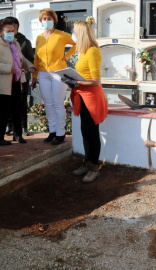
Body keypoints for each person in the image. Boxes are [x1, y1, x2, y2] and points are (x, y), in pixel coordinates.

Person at [61, 21, 108, 183]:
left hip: (91, 98)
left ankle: (94, 167)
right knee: (85, 131)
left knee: (92, 133)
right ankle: (87, 163)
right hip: (82, 96)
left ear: (81, 33)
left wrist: (76, 83)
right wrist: (71, 79)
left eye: (74, 31)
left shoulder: (93, 51)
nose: (72, 33)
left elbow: (95, 81)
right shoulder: (84, 51)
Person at [32, 8, 76, 145]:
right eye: (44, 19)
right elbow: (37, 58)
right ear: (41, 21)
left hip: (58, 73)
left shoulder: (61, 35)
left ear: (54, 20)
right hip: (43, 73)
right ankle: (52, 131)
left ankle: (60, 133)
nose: (47, 21)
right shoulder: (39, 38)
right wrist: (35, 76)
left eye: (49, 18)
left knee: (57, 104)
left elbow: (76, 44)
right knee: (48, 104)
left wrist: (67, 56)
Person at [0, 17, 35, 146]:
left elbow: (22, 58)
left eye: (12, 30)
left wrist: (29, 66)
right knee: (3, 111)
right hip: (3, 83)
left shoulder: (15, 44)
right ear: (1, 32)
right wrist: (8, 68)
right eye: (7, 30)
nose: (10, 33)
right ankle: (1, 137)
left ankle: (18, 135)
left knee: (17, 108)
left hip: (16, 81)